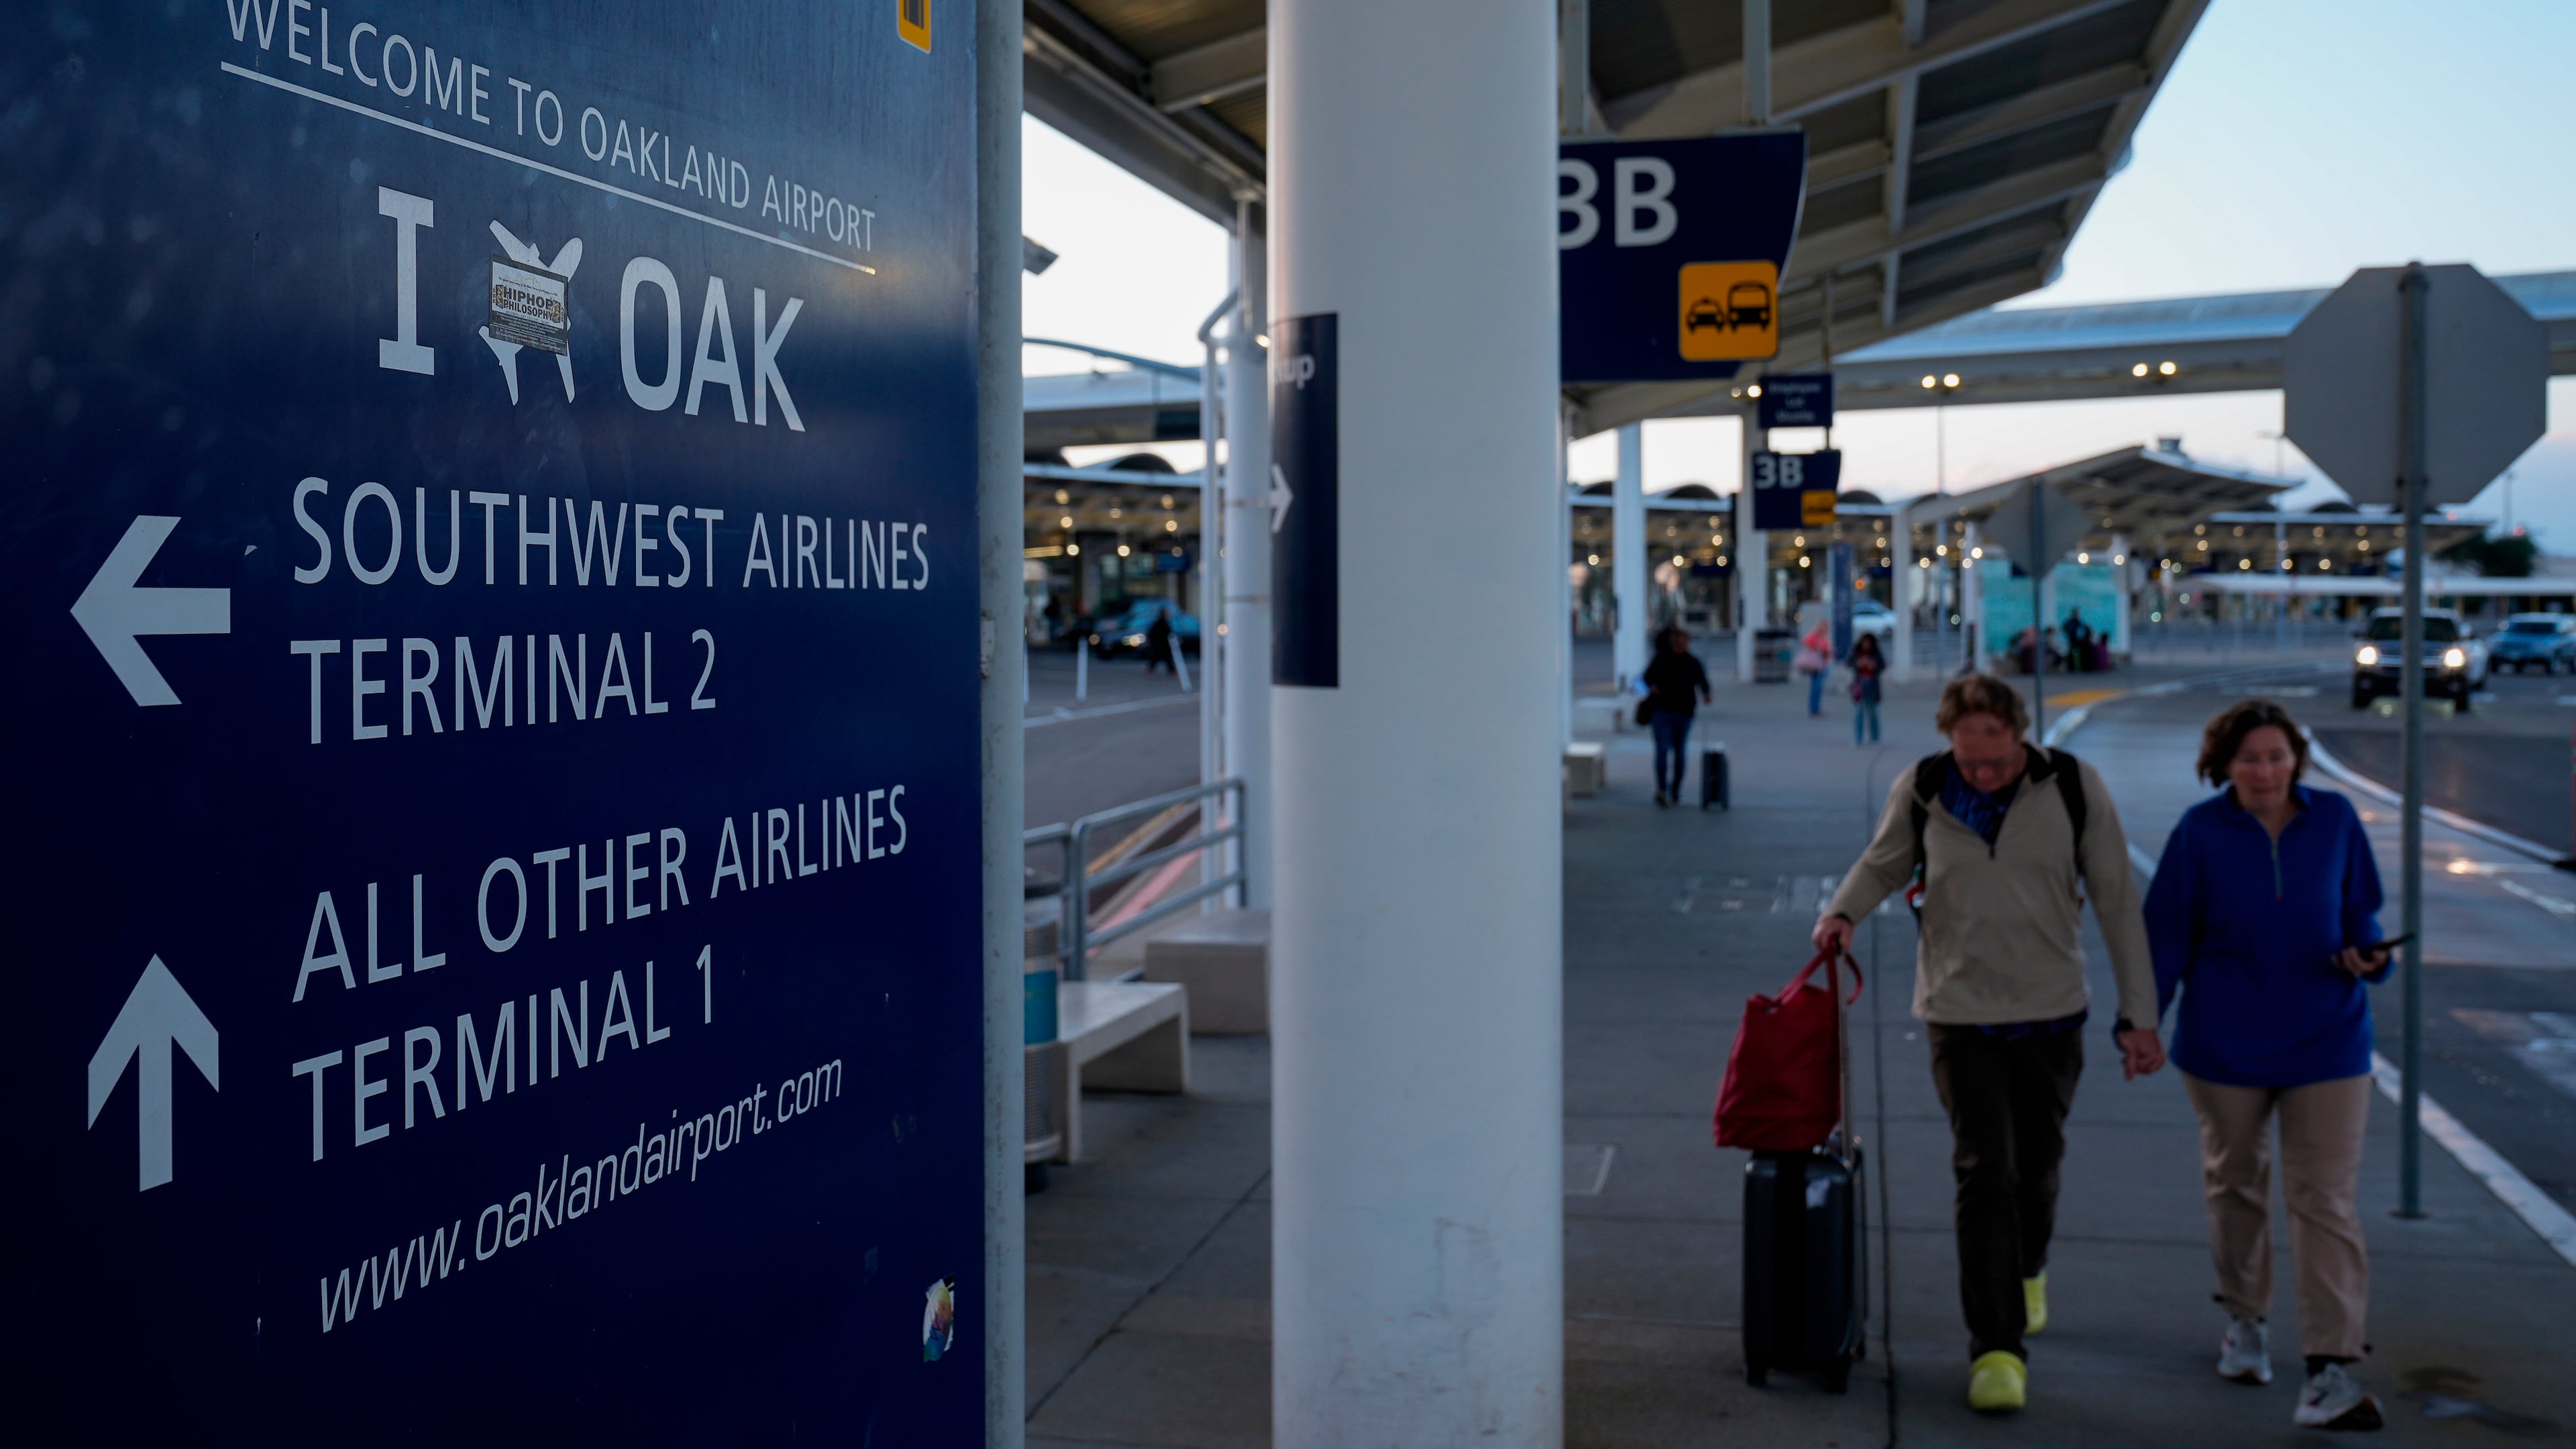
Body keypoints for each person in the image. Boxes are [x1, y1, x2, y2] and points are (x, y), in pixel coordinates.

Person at [1813, 674, 2162, 1415]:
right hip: (1959, 1011)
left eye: (1997, 760)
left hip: (2052, 1012)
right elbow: (1885, 862)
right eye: (1970, 759)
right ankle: (1997, 1348)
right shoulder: (1927, 786)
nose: (1984, 773)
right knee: (1984, 1172)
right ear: (1951, 741)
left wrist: (2141, 1017)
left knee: (2036, 1171)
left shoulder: (2071, 786)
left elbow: (2115, 900)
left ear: (2021, 736)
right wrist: (1842, 912)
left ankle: (2028, 1267)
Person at [2144, 699, 2391, 1432]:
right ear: (2224, 765)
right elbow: (2164, 940)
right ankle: (2246, 1322)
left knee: (2326, 1201)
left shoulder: (2337, 821)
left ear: (2297, 761)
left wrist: (2369, 956)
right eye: (2250, 759)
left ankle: (2330, 1371)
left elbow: (2364, 917)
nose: (2265, 772)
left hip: (2329, 1041)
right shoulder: (2199, 834)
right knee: (2237, 1185)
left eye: (2278, 757)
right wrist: (2141, 1026)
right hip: (2226, 1042)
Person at [1641, 625, 1712, 807]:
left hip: (1684, 713)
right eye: (1677, 642)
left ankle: (1675, 790)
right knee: (1663, 750)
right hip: (1662, 711)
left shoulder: (1693, 662)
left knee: (1680, 753)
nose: (1680, 645)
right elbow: (1647, 677)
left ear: (1687, 643)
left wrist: (1706, 694)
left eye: (1683, 642)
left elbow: (1703, 683)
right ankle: (1662, 789)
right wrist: (1653, 687)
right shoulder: (1662, 659)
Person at [1847, 633, 1885, 745]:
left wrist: (1873, 665)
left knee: (1873, 712)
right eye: (1865, 643)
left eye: (1868, 643)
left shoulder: (1876, 653)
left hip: (1872, 684)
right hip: (1860, 684)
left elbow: (1882, 665)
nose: (1866, 645)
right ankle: (1858, 737)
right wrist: (1858, 664)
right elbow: (1849, 662)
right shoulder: (1857, 651)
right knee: (1859, 712)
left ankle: (1875, 737)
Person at [1796, 619, 1832, 716]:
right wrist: (1816, 648)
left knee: (1817, 688)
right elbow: (1806, 642)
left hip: (1822, 665)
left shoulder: (1823, 638)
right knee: (1816, 688)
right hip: (1817, 665)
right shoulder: (1815, 636)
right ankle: (1814, 709)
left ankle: (1816, 708)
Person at [1143, 605, 1177, 676]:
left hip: (1161, 645)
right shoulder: (1161, 623)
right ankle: (1172, 670)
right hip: (1161, 645)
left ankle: (1172, 670)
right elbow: (1153, 633)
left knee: (1160, 658)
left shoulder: (1162, 623)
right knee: (1163, 658)